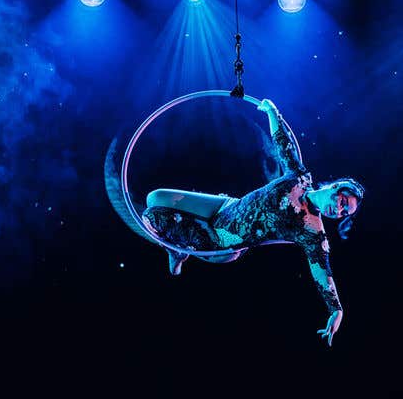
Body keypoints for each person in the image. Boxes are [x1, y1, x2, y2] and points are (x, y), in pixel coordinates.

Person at [140, 98, 364, 346]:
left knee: (151, 217)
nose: (339, 210)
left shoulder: (312, 231)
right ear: (334, 187)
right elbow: (283, 144)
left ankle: (177, 250)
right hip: (226, 206)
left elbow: (322, 271)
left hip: (224, 239)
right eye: (343, 201)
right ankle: (177, 246)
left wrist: (337, 309)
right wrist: (272, 111)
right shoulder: (299, 178)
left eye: (344, 213)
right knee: (154, 197)